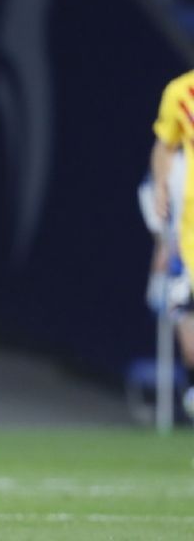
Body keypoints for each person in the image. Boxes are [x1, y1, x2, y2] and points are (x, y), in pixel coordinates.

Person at [149, 71, 194, 420]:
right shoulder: (180, 92)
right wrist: (161, 185)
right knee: (185, 323)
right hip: (190, 236)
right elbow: (164, 146)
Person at [138, 155, 194, 421]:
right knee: (189, 343)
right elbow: (149, 192)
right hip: (182, 265)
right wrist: (163, 240)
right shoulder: (170, 158)